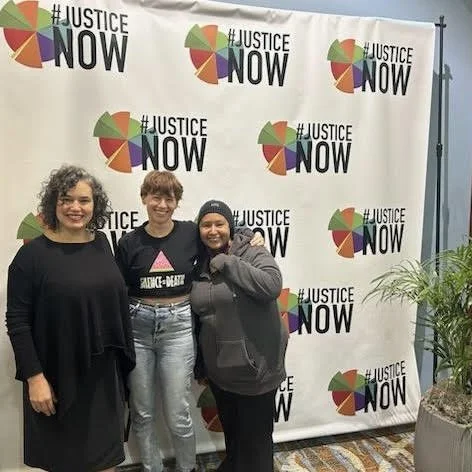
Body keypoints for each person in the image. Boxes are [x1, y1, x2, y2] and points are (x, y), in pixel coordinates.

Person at [114, 171, 262, 472]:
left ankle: (187, 468)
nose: (162, 204)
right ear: (144, 198)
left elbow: (220, 230)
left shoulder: (189, 233)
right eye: (155, 197)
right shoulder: (129, 242)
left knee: (178, 412)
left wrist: (253, 233)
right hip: (138, 327)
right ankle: (152, 468)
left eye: (169, 198)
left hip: (178, 327)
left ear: (177, 202)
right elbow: (118, 288)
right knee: (142, 412)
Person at [5, 165, 136, 472]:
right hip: (55, 376)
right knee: (63, 461)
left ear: (95, 205)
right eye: (66, 199)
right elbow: (17, 321)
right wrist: (35, 378)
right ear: (53, 202)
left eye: (84, 200)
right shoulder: (31, 256)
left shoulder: (102, 243)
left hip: (103, 376)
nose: (75, 207)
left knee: (106, 461)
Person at [190, 200, 289, 472]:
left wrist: (227, 262)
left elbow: (272, 285)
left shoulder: (252, 250)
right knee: (234, 440)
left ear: (230, 227)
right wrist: (202, 364)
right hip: (221, 373)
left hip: (256, 371)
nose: (213, 231)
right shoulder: (198, 263)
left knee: (256, 447)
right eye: (206, 225)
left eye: (219, 224)